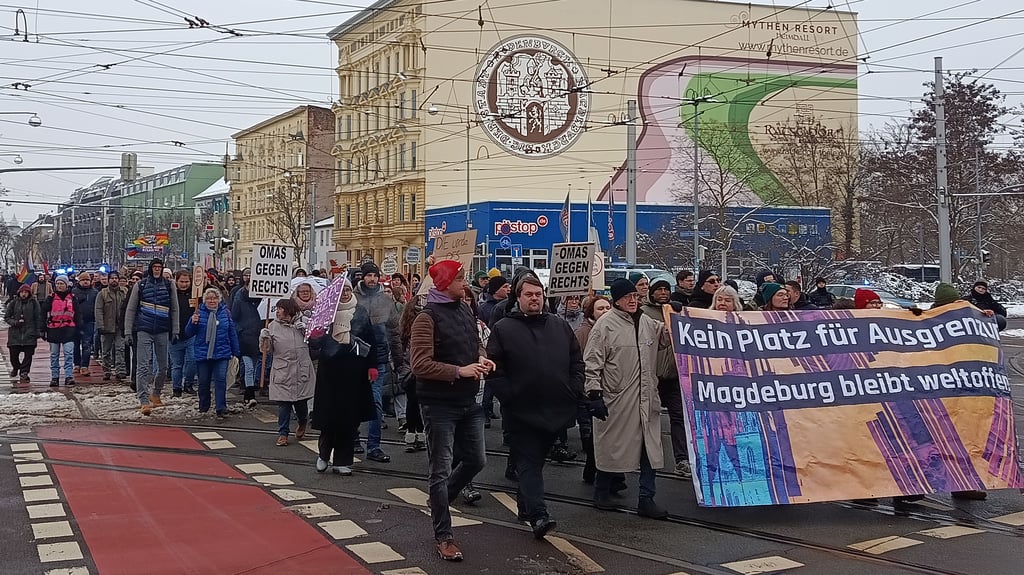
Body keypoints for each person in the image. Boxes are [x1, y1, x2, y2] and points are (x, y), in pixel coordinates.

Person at [487, 275, 584, 539]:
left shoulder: (559, 325)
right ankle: (539, 515)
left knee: (536, 461)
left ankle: (525, 506)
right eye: (528, 294)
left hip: (555, 408)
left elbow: (576, 361)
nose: (534, 298)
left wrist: (573, 388)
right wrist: (509, 396)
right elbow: (494, 370)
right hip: (521, 410)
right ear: (518, 298)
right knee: (529, 462)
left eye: (538, 294)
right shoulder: (504, 328)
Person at [409, 260, 493, 561]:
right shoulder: (426, 318)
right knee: (440, 470)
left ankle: (441, 498)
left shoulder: (466, 309)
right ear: (445, 284)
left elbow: (474, 346)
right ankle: (444, 536)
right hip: (439, 404)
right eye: (459, 279)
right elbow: (419, 364)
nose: (465, 283)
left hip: (468, 400)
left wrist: (482, 360)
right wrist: (460, 370)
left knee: (476, 460)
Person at [584, 278, 669, 519]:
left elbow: (664, 337)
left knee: (650, 450)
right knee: (613, 447)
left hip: (646, 397)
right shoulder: (605, 326)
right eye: (627, 297)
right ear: (616, 300)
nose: (633, 300)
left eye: (636, 296)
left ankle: (646, 498)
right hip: (617, 399)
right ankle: (602, 491)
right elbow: (592, 362)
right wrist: (594, 393)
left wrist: (676, 320)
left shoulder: (646, 322)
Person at [309, 280, 378, 475]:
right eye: (342, 290)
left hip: (354, 373)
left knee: (349, 420)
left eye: (348, 289)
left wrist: (372, 366)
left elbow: (371, 340)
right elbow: (315, 348)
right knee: (329, 419)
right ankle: (323, 455)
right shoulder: (326, 313)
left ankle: (342, 460)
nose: (346, 293)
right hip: (330, 373)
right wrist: (316, 336)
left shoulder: (360, 312)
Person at [641, 275, 690, 479]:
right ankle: (644, 459)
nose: (663, 293)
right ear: (652, 292)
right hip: (652, 376)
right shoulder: (643, 313)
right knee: (647, 418)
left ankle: (682, 459)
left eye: (666, 290)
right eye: (659, 290)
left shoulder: (675, 310)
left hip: (673, 376)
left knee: (678, 417)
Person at [353, 261, 402, 463]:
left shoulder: (385, 300)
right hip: (355, 358)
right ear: (362, 277)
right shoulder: (352, 297)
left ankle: (374, 446)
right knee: (353, 402)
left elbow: (394, 331)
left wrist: (399, 359)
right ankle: (353, 438)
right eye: (369, 275)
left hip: (379, 357)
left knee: (376, 403)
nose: (372, 279)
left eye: (375, 275)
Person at [124, 258, 179, 415]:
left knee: (163, 367)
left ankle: (156, 393)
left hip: (162, 329)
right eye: (154, 267)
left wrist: (175, 329)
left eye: (159, 267)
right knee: (142, 366)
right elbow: (131, 310)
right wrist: (128, 331)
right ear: (150, 269)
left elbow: (174, 309)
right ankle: (143, 400)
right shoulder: (140, 285)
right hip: (144, 329)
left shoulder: (169, 285)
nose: (156, 270)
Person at [260, 298, 315, 447]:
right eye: (277, 308)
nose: (277, 311)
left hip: (301, 369)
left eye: (280, 308)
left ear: (289, 310)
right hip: (282, 370)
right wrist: (264, 338)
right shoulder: (273, 326)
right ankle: (282, 433)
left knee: (300, 403)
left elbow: (317, 342)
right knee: (283, 404)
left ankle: (302, 422)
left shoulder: (304, 321)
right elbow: (267, 350)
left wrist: (306, 330)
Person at [185, 287, 240, 420]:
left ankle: (221, 407)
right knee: (203, 381)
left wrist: (236, 351)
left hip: (222, 353)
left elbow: (232, 332)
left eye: (214, 298)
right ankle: (204, 405)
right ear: (204, 300)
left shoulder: (225, 313)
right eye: (209, 298)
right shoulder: (199, 313)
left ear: (219, 299)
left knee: (221, 380)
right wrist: (193, 323)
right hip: (203, 353)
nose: (212, 301)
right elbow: (188, 333)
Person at [574, 295, 611, 484]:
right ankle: (594, 472)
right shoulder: (583, 333)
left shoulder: (613, 328)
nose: (605, 312)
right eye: (600, 309)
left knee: (604, 435)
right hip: (586, 390)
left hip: (609, 390)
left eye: (607, 308)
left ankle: (597, 471)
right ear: (591, 313)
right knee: (592, 434)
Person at [397, 294, 427, 452]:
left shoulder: (420, 319)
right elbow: (401, 344)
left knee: (416, 402)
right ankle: (415, 433)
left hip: (415, 365)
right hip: (410, 366)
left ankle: (415, 433)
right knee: (414, 401)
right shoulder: (409, 322)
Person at [231, 277, 266, 407]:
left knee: (257, 366)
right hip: (245, 339)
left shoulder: (263, 301)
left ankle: (251, 389)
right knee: (249, 367)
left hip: (258, 338)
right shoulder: (239, 300)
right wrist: (241, 330)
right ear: (246, 286)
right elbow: (233, 318)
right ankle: (249, 393)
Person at [43, 275, 79, 388]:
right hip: (54, 330)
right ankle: (55, 377)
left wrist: (79, 329)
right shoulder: (51, 298)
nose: (59, 286)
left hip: (69, 330)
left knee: (69, 354)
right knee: (54, 355)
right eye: (58, 284)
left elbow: (78, 314)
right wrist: (42, 329)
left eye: (61, 283)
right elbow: (43, 313)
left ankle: (69, 376)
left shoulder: (72, 298)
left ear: (66, 284)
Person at [95, 271, 128, 383]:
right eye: (112, 278)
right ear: (108, 280)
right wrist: (100, 325)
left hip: (120, 326)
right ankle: (107, 371)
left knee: (120, 349)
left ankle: (120, 371)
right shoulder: (102, 293)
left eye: (116, 278)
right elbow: (98, 310)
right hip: (106, 326)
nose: (114, 280)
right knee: (106, 351)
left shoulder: (124, 292)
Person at [170, 271, 198, 397]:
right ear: (176, 281)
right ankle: (176, 388)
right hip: (174, 334)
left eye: (187, 282)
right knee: (177, 364)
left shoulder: (195, 295)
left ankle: (188, 383)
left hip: (191, 334)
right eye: (181, 281)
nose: (184, 284)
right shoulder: (171, 294)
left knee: (192, 361)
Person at [5, 284, 41, 382]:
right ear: (19, 292)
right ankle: (16, 367)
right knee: (13, 355)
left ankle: (24, 372)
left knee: (28, 355)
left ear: (29, 293)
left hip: (29, 333)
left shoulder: (34, 303)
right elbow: (7, 317)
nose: (23, 294)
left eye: (25, 292)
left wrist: (38, 332)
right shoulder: (13, 302)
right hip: (15, 334)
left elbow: (38, 318)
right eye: (22, 292)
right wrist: (15, 322)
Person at [71, 272, 98, 377]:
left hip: (89, 321)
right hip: (75, 322)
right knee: (75, 345)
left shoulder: (95, 292)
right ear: (79, 281)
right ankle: (76, 364)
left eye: (87, 280)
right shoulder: (73, 292)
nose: (85, 282)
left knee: (87, 345)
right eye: (83, 280)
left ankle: (84, 366)